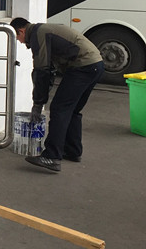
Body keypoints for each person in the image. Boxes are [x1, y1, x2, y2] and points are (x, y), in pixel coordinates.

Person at [10, 17, 104, 172]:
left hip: (82, 66)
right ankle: (72, 151)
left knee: (59, 109)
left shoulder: (38, 35)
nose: (20, 42)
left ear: (21, 31)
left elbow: (42, 71)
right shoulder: (44, 30)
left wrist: (38, 103)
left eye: (17, 38)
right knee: (73, 110)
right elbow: (50, 70)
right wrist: (42, 97)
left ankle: (52, 156)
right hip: (95, 65)